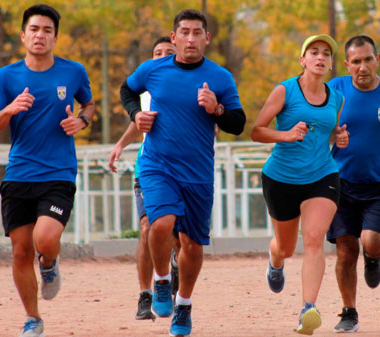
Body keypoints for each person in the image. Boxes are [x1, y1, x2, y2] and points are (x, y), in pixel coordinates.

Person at [120, 9, 245, 336]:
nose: (191, 39)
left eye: (197, 33)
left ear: (207, 38)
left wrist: (216, 108)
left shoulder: (220, 77)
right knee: (159, 224)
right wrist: (136, 115)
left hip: (198, 173)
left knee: (191, 245)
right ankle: (162, 282)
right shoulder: (152, 69)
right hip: (157, 165)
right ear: (174, 38)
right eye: (184, 33)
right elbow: (127, 90)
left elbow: (238, 123)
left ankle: (184, 305)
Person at [0, 4, 95, 337]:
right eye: (34, 29)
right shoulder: (7, 76)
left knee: (44, 239)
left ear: (55, 37)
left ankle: (48, 263)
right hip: (19, 174)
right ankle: (33, 319)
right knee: (20, 251)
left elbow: (89, 104)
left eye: (47, 30)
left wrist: (82, 119)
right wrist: (10, 109)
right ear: (23, 35)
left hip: (59, 172)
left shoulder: (73, 72)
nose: (40, 35)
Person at [250, 34, 349, 335]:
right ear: (302, 60)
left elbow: (330, 133)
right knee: (286, 247)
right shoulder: (285, 90)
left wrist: (339, 138)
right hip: (281, 178)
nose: (320, 58)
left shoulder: (336, 97)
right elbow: (257, 131)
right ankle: (275, 260)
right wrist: (286, 135)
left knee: (315, 238)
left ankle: (309, 308)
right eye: (314, 52)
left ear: (331, 64)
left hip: (322, 175)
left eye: (326, 54)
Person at [326, 35, 380, 333]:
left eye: (368, 60)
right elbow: (317, 127)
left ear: (378, 60)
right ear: (347, 64)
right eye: (356, 61)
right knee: (345, 251)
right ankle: (349, 311)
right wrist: (332, 135)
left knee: (371, 243)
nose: (362, 67)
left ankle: (373, 258)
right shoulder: (335, 89)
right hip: (339, 183)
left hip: (379, 185)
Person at [108, 36, 180, 322]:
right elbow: (139, 123)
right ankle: (144, 295)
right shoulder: (147, 88)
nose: (162, 56)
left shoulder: (191, 84)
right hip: (149, 168)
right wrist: (120, 145)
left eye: (168, 53)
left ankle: (172, 268)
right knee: (148, 228)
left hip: (185, 170)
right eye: (157, 53)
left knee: (177, 235)